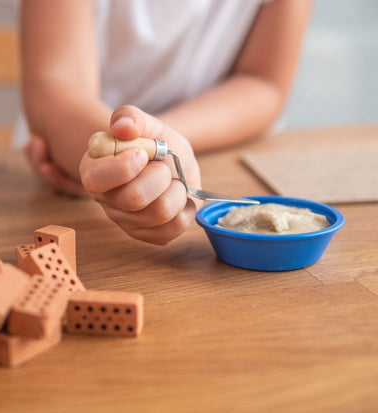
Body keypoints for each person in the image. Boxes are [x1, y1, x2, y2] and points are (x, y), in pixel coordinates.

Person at [19, 0, 312, 245]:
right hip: (60, 175)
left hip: (218, 156)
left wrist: (166, 139)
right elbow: (54, 86)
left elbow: (264, 84)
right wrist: (151, 147)